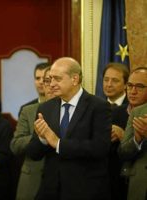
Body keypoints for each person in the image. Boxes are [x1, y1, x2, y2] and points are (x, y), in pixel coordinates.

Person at [26, 57, 111, 200]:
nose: (51, 84)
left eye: (57, 79)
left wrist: (58, 143)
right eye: (51, 79)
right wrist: (42, 138)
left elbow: (100, 147)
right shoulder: (46, 108)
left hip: (85, 190)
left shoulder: (98, 106)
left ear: (75, 79)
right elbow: (33, 154)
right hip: (51, 190)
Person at [10, 66, 54, 200]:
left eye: (55, 80)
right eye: (47, 81)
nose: (50, 85)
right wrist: (39, 136)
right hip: (33, 180)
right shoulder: (28, 111)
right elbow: (15, 145)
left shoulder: (74, 111)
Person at [110, 67, 147, 200]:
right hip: (118, 181)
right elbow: (121, 152)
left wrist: (124, 135)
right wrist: (136, 138)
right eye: (130, 86)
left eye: (140, 87)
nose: (133, 91)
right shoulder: (113, 113)